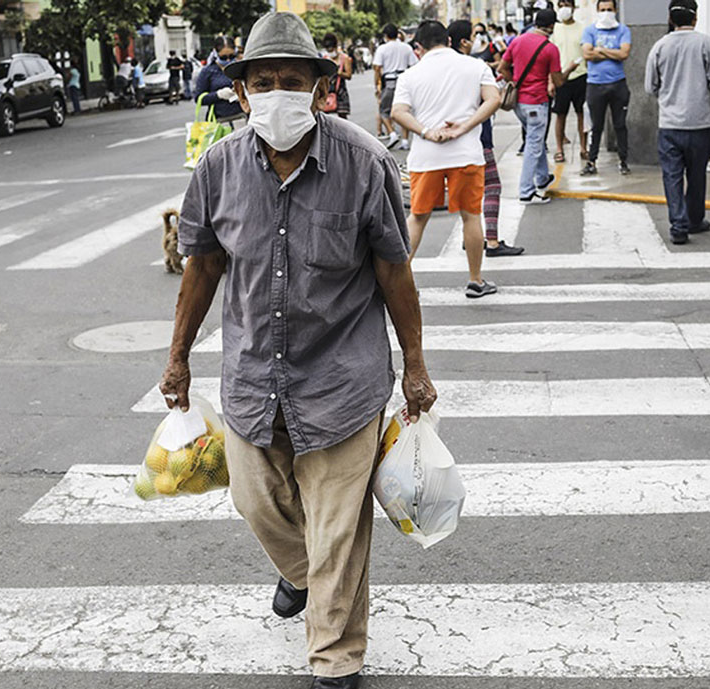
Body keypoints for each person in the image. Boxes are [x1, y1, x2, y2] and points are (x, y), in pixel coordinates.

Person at [160, 13, 435, 689]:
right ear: (244, 91)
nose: (277, 93)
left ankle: (336, 656)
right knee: (256, 503)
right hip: (254, 378)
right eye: (263, 81)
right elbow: (199, 268)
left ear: (320, 88)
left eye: (292, 80)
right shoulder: (219, 167)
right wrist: (177, 358)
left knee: (340, 529)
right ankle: (301, 574)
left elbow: (395, 272)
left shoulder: (365, 161)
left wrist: (417, 365)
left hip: (345, 378)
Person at [391, 20, 503, 296]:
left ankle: (397, 282)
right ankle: (476, 280)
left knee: (417, 218)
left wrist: (428, 132)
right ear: (450, 41)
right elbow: (494, 99)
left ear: (418, 47)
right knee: (471, 216)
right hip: (465, 153)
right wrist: (465, 127)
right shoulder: (475, 66)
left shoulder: (410, 75)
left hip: (426, 156)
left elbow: (398, 112)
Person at [645, 0, 710, 244]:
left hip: (669, 124)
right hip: (700, 122)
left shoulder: (660, 46)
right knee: (697, 174)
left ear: (671, 19)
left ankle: (678, 225)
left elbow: (650, 87)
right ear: (695, 18)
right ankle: (694, 220)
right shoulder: (706, 43)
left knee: (671, 175)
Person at [447, 19, 525, 257]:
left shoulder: (441, 68)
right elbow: (493, 101)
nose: (476, 40)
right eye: (473, 36)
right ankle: (491, 241)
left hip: (449, 136)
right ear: (464, 41)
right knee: (492, 186)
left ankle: (469, 236)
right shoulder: (475, 67)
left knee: (464, 190)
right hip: (479, 136)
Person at [501, 8, 563, 204]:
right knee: (533, 146)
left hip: (519, 102)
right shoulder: (550, 48)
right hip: (537, 101)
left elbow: (503, 68)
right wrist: (568, 70)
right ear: (552, 26)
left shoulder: (517, 41)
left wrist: (516, 82)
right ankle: (526, 191)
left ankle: (543, 177)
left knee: (535, 141)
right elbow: (558, 81)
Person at [580, 0, 632, 176]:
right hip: (595, 85)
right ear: (597, 11)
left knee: (620, 124)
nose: (606, 13)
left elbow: (624, 54)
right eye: (602, 10)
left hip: (618, 84)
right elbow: (587, 54)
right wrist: (612, 53)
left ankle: (623, 160)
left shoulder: (623, 30)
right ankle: (591, 161)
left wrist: (599, 50)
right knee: (596, 126)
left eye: (609, 9)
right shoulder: (589, 30)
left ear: (616, 10)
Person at [550, 0, 588, 162]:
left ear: (573, 7)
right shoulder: (555, 29)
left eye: (567, 5)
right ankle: (559, 149)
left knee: (582, 114)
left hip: (581, 76)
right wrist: (550, 82)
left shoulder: (582, 28)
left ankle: (583, 148)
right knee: (560, 115)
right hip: (560, 78)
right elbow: (549, 57)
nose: (564, 9)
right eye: (561, 5)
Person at [373, 23, 418, 149]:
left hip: (389, 80)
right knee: (404, 110)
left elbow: (377, 68)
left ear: (386, 36)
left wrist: (376, 84)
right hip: (404, 80)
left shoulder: (382, 48)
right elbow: (414, 65)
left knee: (384, 110)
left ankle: (392, 133)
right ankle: (405, 141)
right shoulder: (406, 47)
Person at [193, 51, 244, 119]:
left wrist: (242, 94)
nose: (228, 60)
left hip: (242, 116)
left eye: (231, 56)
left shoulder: (241, 68)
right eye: (223, 57)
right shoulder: (208, 71)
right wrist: (218, 95)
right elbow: (199, 98)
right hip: (218, 119)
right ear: (216, 55)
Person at [321, 33, 352, 119]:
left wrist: (339, 72)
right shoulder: (325, 59)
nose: (330, 52)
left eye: (331, 49)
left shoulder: (344, 58)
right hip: (328, 90)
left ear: (335, 47)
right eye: (328, 50)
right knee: (324, 116)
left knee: (343, 117)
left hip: (340, 91)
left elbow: (349, 75)